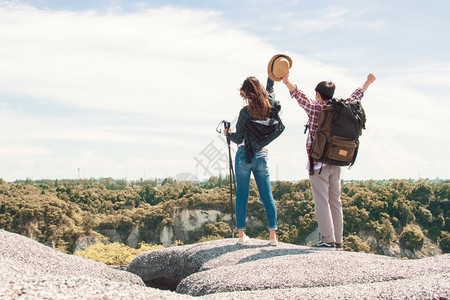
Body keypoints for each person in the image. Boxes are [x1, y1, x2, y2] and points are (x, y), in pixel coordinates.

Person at [282, 72, 376, 250]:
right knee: (335, 201)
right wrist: (368, 82)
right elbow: (357, 95)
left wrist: (287, 81)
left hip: (318, 164)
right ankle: (338, 241)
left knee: (321, 202)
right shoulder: (342, 108)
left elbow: (299, 96)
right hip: (337, 162)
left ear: (318, 94)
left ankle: (327, 239)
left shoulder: (316, 108)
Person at [225, 76, 285, 246]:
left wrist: (227, 134)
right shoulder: (270, 107)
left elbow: (238, 138)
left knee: (242, 196)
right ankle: (273, 237)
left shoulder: (246, 112)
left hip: (244, 155)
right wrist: (271, 77)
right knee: (267, 196)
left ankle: (241, 236)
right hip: (261, 156)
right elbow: (271, 92)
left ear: (247, 94)